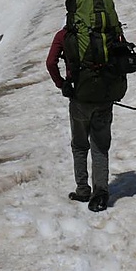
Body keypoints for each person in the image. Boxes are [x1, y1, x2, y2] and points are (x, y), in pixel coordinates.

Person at [46, 24, 114, 212]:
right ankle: (100, 194)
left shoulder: (64, 35)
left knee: (79, 144)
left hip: (79, 96)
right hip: (104, 96)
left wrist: (61, 84)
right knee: (100, 146)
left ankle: (83, 190)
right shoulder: (106, 30)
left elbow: (51, 62)